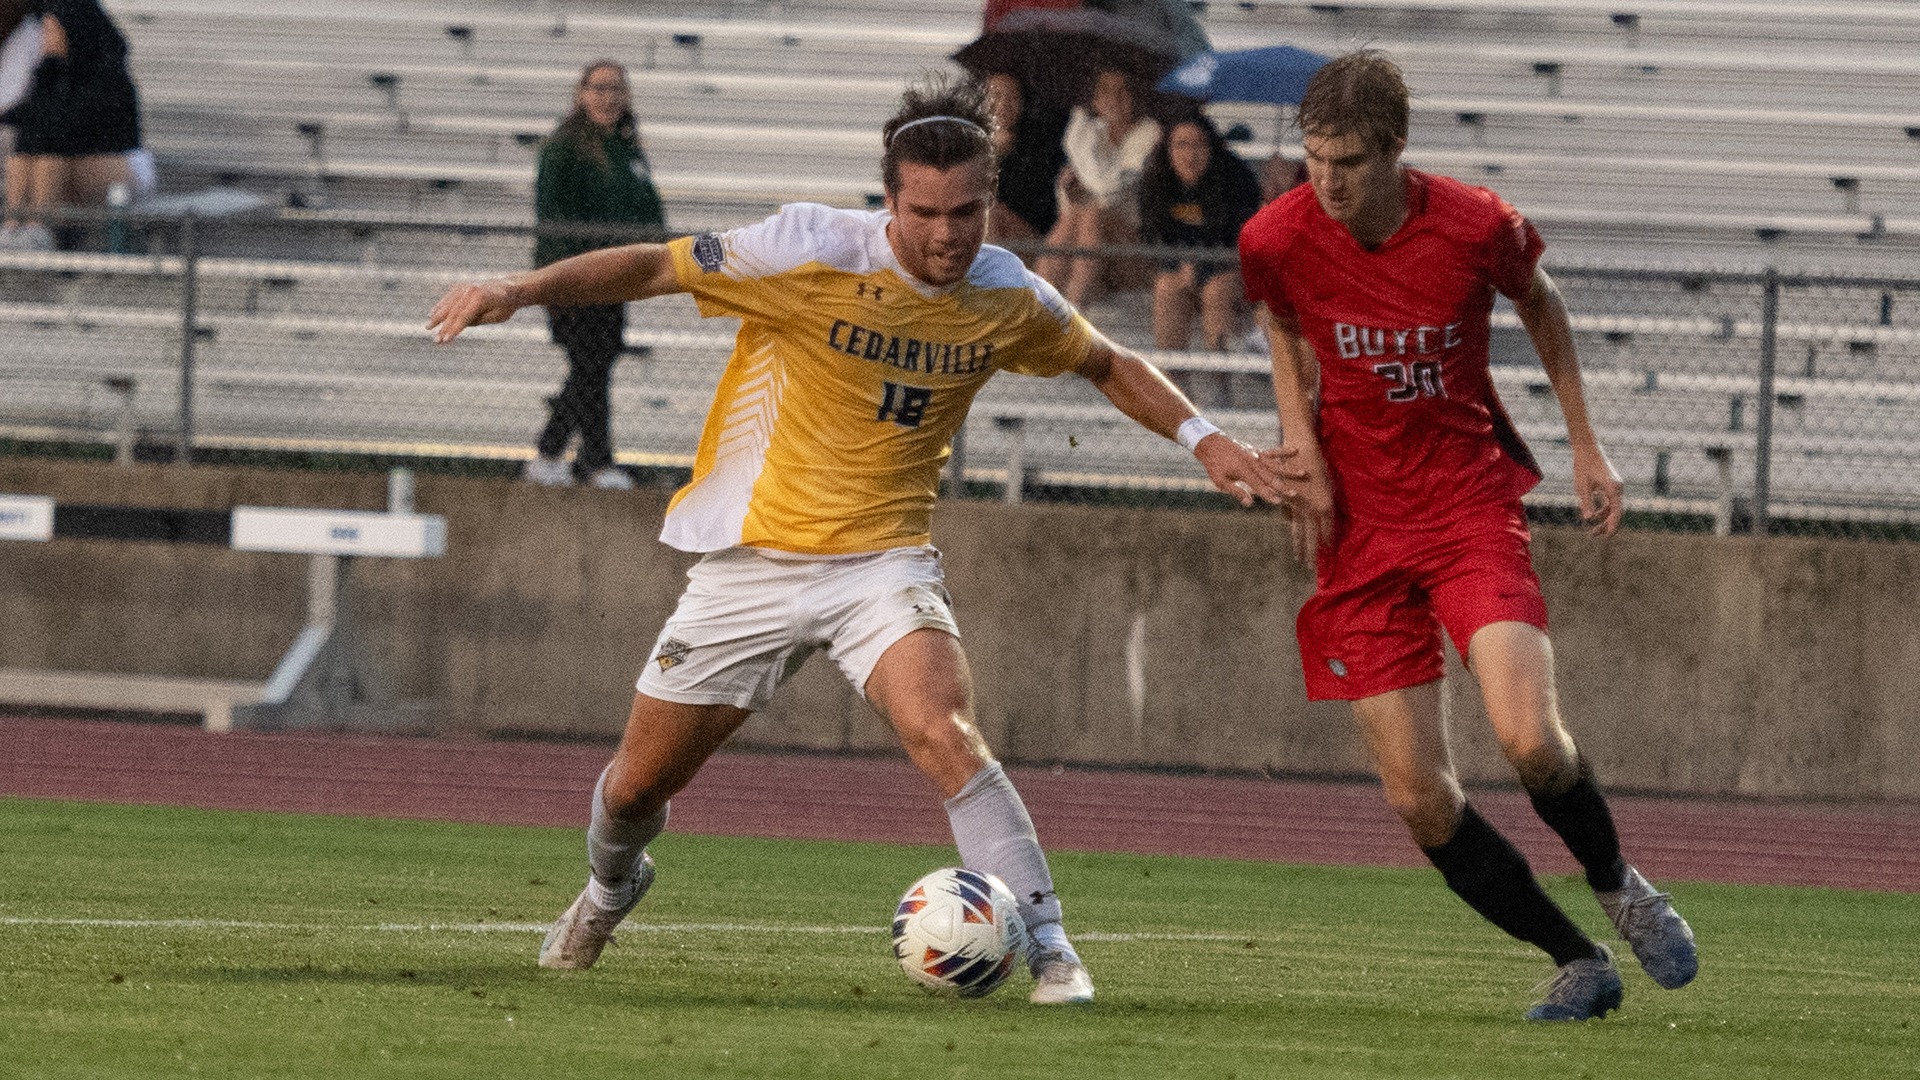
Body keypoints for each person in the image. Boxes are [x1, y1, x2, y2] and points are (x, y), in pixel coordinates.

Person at [428, 74, 1287, 1005]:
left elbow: (1108, 363)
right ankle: (608, 889)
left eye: (966, 211)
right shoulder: (808, 247)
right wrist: (519, 287)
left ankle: (1049, 949)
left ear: (990, 201)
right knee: (635, 791)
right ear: (890, 200)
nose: (946, 235)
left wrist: (1208, 442)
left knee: (947, 732)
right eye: (924, 212)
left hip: (884, 563)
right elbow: (654, 267)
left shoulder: (1007, 293)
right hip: (756, 561)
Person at [1237, 51, 1698, 1022]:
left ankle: (1617, 881)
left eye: (1349, 162)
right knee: (1417, 800)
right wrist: (1298, 439)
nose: (1326, 181)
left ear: (1397, 150)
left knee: (1530, 738)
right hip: (1357, 533)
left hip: (1464, 507)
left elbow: (1542, 303)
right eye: (1313, 158)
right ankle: (1577, 960)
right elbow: (1279, 319)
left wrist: (1583, 445)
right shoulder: (1275, 235)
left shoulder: (1474, 224)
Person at [523, 59, 665, 490]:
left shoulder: (626, 148)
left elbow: (648, 210)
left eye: (616, 89)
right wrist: (566, 278)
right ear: (581, 93)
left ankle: (558, 456)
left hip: (615, 279)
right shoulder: (564, 147)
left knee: (594, 366)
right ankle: (591, 461)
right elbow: (553, 218)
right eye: (599, 88)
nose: (608, 97)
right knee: (590, 365)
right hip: (574, 281)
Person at [0, 0, 145, 251]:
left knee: (50, 155)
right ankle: (13, 227)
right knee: (24, 153)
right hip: (69, 158)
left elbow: (80, 129)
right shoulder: (50, 73)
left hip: (116, 163)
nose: (45, 39)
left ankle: (38, 228)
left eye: (52, 31)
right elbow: (29, 119)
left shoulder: (106, 77)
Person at [1032, 66, 1160, 307]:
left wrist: (1078, 121)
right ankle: (1041, 307)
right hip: (1092, 246)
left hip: (1138, 251)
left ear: (1137, 95)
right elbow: (1075, 202)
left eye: (1123, 91)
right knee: (1074, 219)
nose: (1113, 99)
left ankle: (1072, 311)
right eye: (1105, 91)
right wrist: (1071, 192)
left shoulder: (1150, 133)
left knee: (1092, 215)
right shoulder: (1095, 133)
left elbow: (1111, 188)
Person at [1139, 112, 1261, 354]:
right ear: (1168, 150)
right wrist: (1180, 264)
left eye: (1199, 144)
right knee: (1166, 286)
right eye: (1181, 145)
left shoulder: (1235, 177)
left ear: (1212, 147)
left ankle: (1220, 381)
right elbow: (1152, 234)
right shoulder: (1156, 179)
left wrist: (1200, 266)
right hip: (1178, 269)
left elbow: (1240, 237)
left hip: (1229, 268)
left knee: (1216, 291)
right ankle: (1173, 381)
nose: (1190, 154)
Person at [982, 71, 1066, 246]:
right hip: (990, 233)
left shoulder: (1039, 149)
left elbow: (1038, 206)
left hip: (1030, 236)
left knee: (989, 212)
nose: (1003, 104)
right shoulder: (974, 148)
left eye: (1012, 97)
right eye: (996, 96)